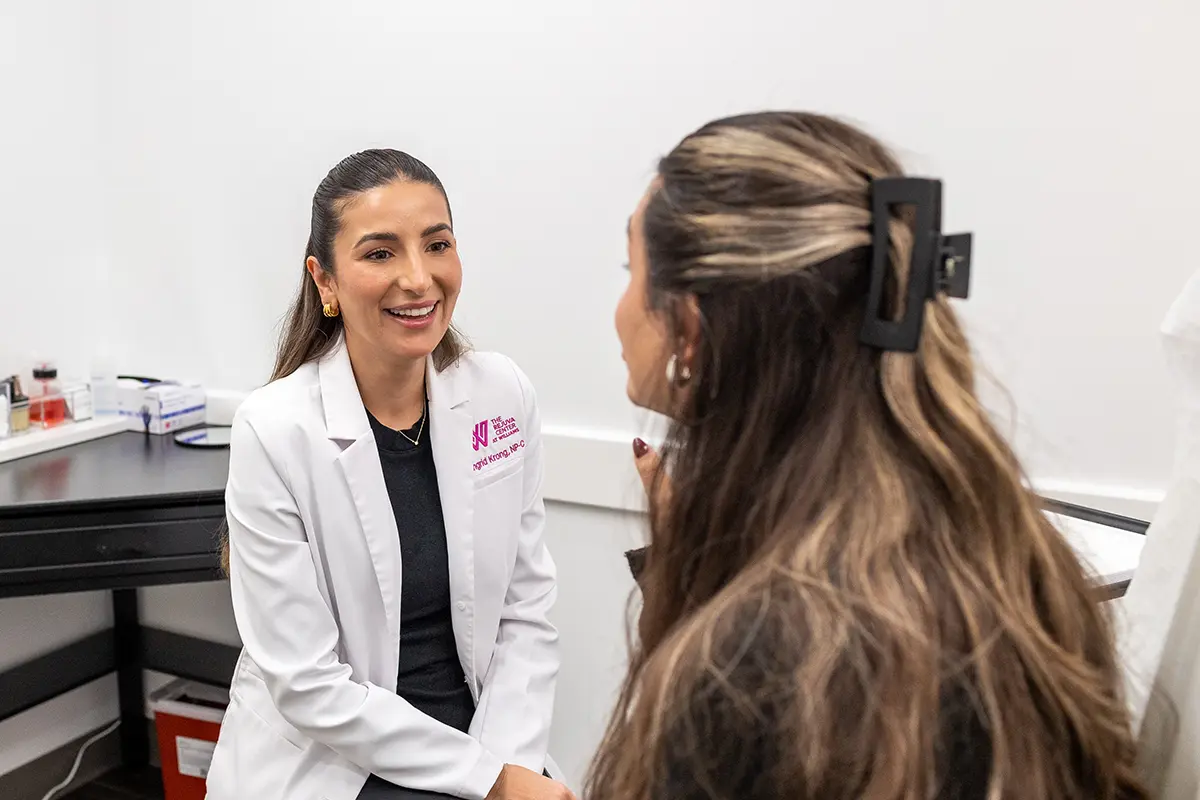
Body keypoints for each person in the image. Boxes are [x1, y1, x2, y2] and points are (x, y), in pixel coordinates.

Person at [588, 112, 1147, 799]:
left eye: (630, 270)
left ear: (692, 327)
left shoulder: (753, 668)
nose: (618, 307)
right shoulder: (1013, 559)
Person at [206, 150, 571, 800]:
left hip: (482, 727)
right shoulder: (275, 428)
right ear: (325, 281)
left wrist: (507, 765)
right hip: (338, 757)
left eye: (437, 244)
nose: (418, 277)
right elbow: (309, 685)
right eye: (380, 253)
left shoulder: (500, 393)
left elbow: (526, 611)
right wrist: (489, 783)